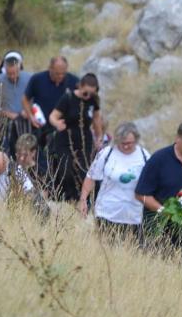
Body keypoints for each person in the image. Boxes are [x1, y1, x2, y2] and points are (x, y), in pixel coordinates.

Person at [134, 120, 182, 246]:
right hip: (156, 233)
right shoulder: (159, 160)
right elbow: (140, 194)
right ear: (178, 138)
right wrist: (165, 212)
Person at [79, 122, 151, 239]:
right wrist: (83, 200)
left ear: (136, 140)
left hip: (134, 215)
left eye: (129, 143)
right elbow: (91, 177)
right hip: (106, 212)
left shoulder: (144, 156)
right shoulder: (106, 153)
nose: (126, 146)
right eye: (122, 143)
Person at [49, 73, 103, 202]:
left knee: (85, 171)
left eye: (92, 93)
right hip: (66, 138)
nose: (88, 96)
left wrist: (99, 136)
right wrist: (57, 123)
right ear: (80, 86)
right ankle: (69, 198)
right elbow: (53, 116)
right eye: (85, 93)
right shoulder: (68, 98)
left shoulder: (93, 100)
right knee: (66, 172)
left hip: (84, 139)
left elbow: (96, 118)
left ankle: (84, 200)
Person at [22, 55, 79, 176]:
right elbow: (25, 98)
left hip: (64, 130)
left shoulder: (74, 81)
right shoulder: (37, 79)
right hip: (41, 129)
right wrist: (31, 117)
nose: (60, 76)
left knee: (63, 164)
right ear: (50, 68)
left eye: (63, 73)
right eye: (57, 73)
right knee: (42, 162)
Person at [0, 52, 32, 155]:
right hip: (5, 125)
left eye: (15, 73)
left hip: (28, 124)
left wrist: (29, 110)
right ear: (5, 69)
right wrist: (6, 113)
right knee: (6, 153)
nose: (12, 76)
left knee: (27, 152)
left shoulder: (30, 78)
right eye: (9, 74)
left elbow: (38, 99)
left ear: (19, 68)